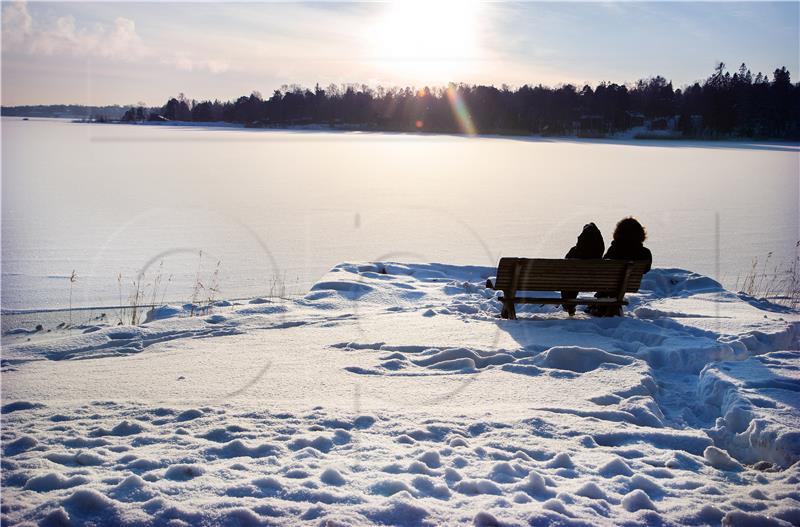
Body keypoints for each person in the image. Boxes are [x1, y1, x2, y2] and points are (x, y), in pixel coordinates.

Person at [589, 217, 652, 316]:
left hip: (608, 285)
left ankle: (601, 305)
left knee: (610, 282)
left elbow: (603, 267)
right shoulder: (645, 253)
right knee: (615, 283)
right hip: (626, 285)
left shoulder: (614, 250)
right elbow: (646, 269)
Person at [561, 222, 605, 315]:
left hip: (574, 283)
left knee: (569, 278)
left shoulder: (574, 252)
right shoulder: (600, 257)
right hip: (595, 283)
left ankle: (569, 306)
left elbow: (564, 270)